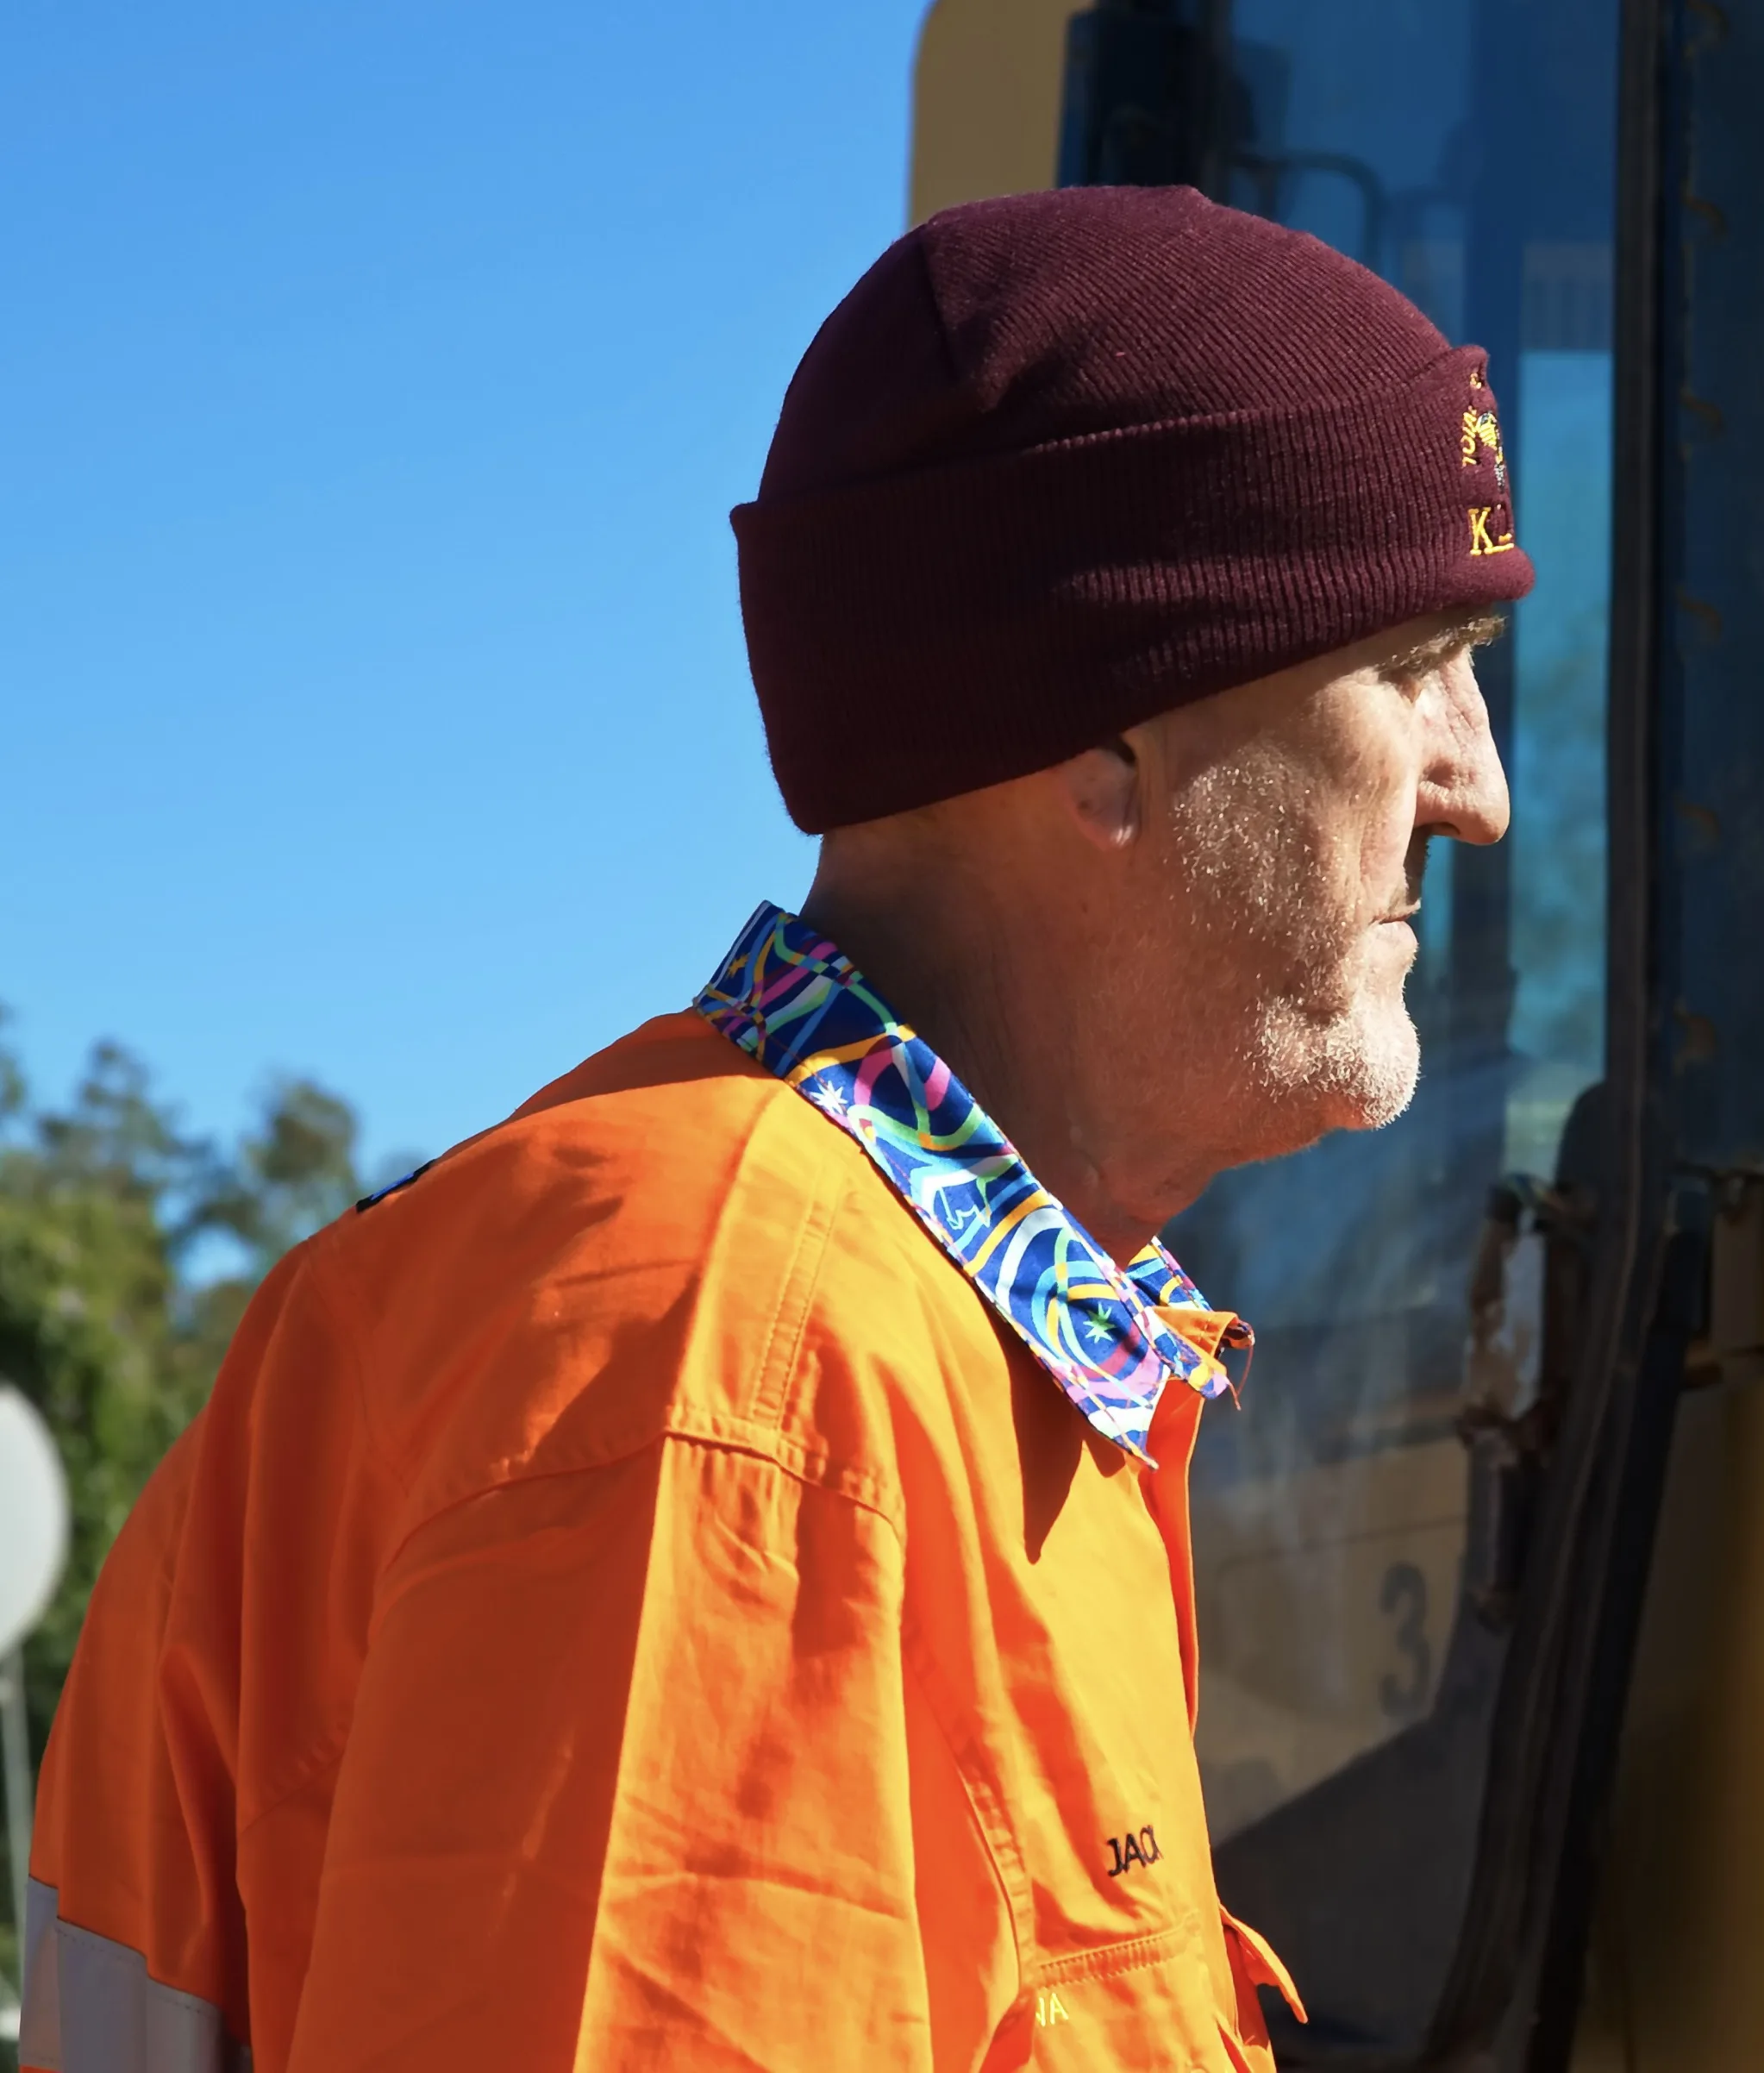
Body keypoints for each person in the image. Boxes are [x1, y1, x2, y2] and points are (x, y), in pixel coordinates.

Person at [22, 185, 1525, 2073]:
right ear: (1105, 739)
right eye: (1412, 665)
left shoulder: (908, 1330)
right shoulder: (743, 1362)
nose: (1474, 783)